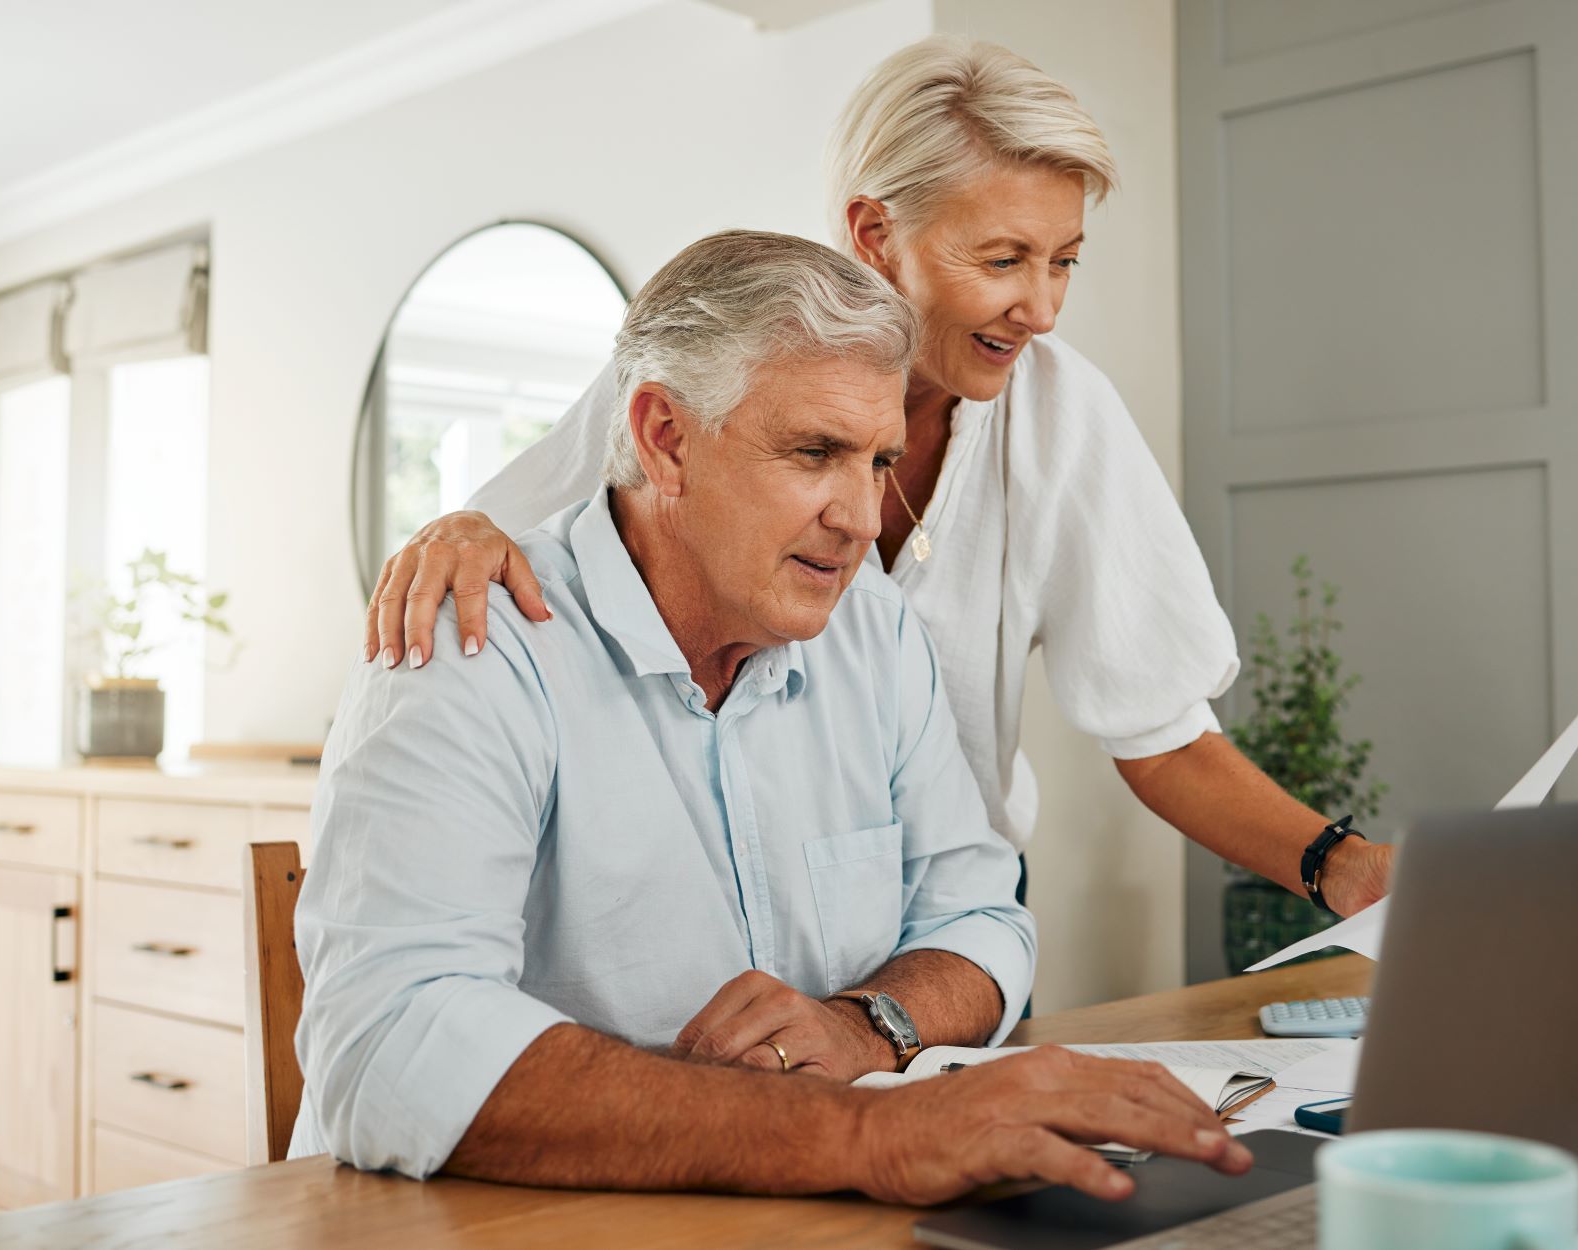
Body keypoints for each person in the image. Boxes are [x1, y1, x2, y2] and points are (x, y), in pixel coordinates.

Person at [292, 230, 1253, 1203]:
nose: (862, 518)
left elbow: (982, 913)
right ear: (665, 438)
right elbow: (390, 1046)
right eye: (815, 452)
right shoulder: (470, 640)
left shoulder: (869, 625)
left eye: (878, 460)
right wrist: (865, 1133)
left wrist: (866, 1025)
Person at [369, 39, 1390, 929]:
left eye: (1065, 262)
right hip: (740, 909)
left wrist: (1341, 865)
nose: (1040, 307)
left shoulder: (1062, 416)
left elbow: (1160, 727)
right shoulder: (713, 365)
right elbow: (506, 537)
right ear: (873, 234)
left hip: (959, 914)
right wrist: (461, 527)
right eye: (1004, 258)